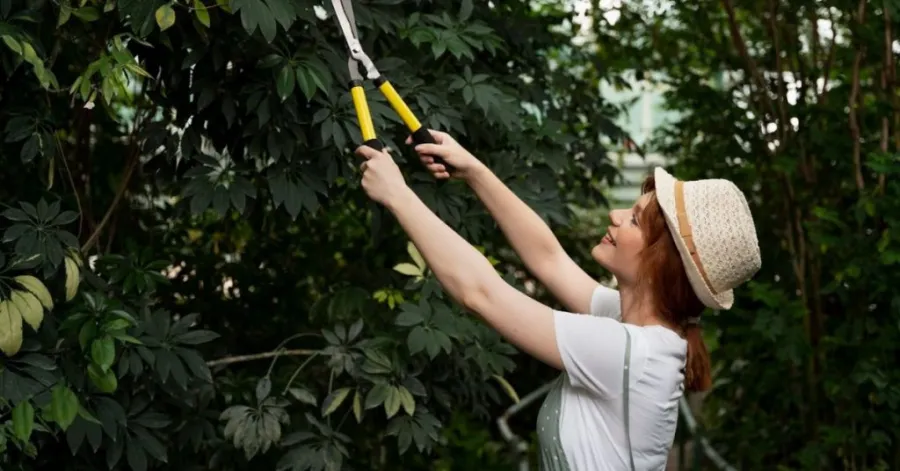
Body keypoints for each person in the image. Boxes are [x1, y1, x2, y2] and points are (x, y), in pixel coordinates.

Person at [354, 130, 761, 471]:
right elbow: (549, 260)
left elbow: (481, 293)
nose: (616, 214)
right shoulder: (632, 328)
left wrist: (399, 197)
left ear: (662, 263)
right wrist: (475, 172)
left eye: (634, 219)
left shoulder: (633, 354)